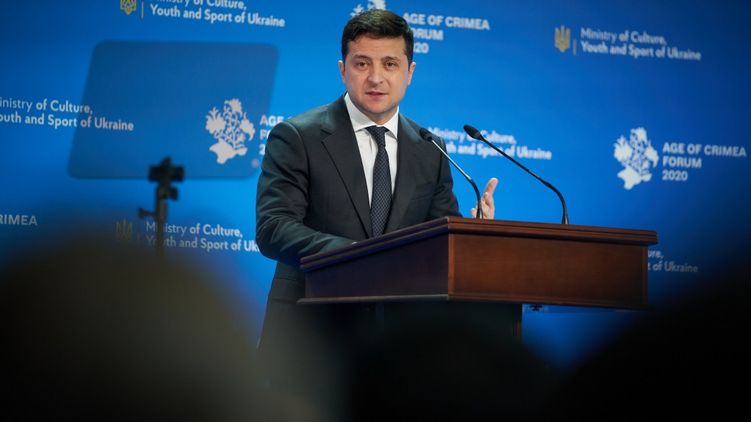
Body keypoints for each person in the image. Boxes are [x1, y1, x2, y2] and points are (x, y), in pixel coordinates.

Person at [254, 9, 498, 414]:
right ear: (343, 70)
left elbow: (438, 244)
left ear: (410, 72)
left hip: (400, 350)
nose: (376, 77)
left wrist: (472, 236)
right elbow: (273, 227)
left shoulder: (429, 148)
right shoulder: (297, 136)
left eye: (390, 64)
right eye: (362, 63)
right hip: (311, 342)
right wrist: (358, 257)